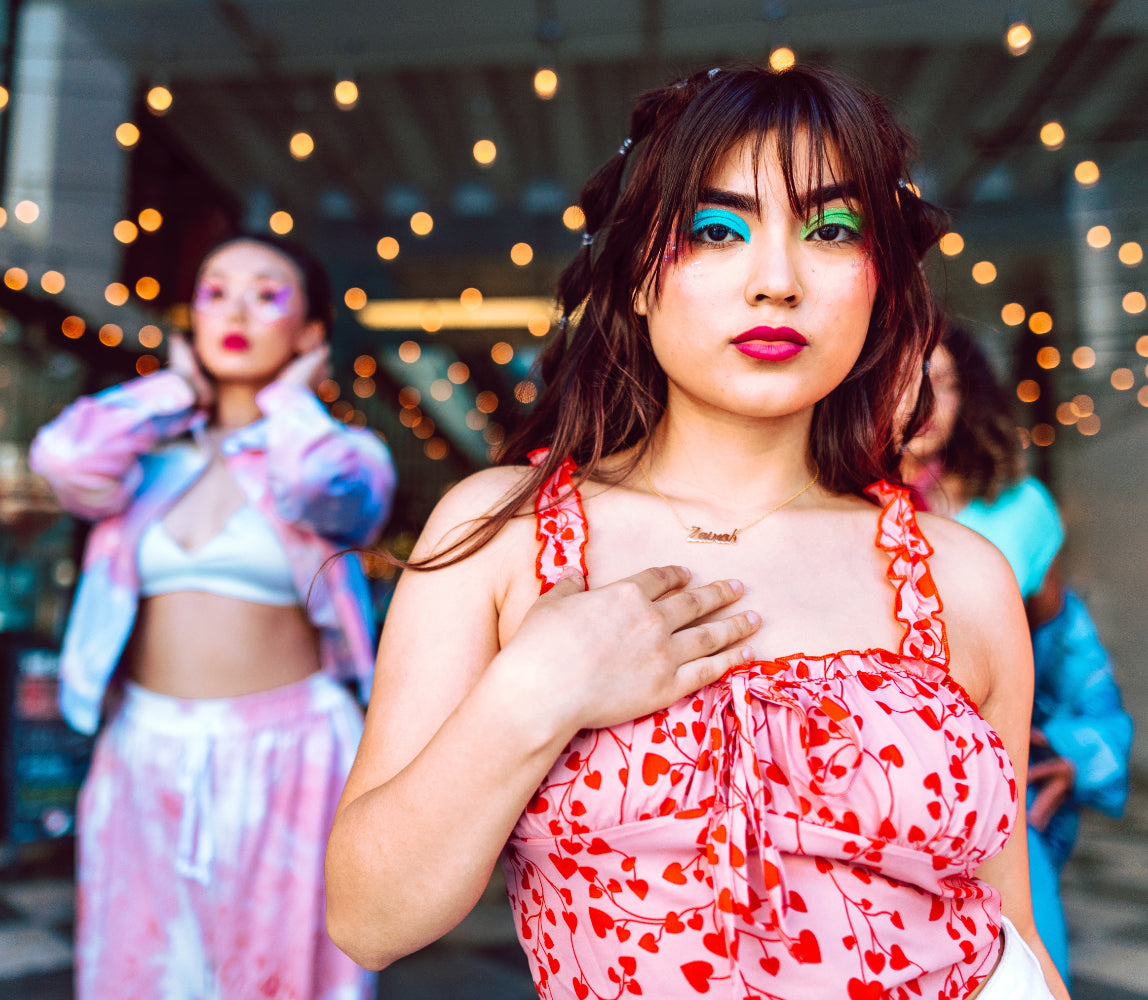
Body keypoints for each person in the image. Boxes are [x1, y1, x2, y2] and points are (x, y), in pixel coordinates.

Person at [326, 65, 1069, 999]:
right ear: (636, 276)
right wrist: (537, 690)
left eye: (831, 231)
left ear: (880, 283)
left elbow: (1012, 931)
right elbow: (367, 919)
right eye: (716, 231)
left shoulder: (960, 577)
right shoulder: (505, 534)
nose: (776, 281)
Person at [30, 233, 394, 1000]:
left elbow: (324, 488)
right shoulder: (148, 467)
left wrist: (291, 399)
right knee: (140, 969)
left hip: (293, 753)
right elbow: (62, 459)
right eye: (214, 291)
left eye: (266, 295)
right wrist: (174, 391)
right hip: (143, 747)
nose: (235, 309)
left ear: (309, 333)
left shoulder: (346, 453)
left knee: (280, 974)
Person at [901, 324, 1133, 984]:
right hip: (876, 796)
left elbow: (1067, 652)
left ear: (968, 398)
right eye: (905, 382)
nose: (922, 402)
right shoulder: (834, 509)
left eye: (943, 384)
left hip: (994, 792)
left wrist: (1076, 748)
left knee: (1025, 956)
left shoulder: (1018, 512)